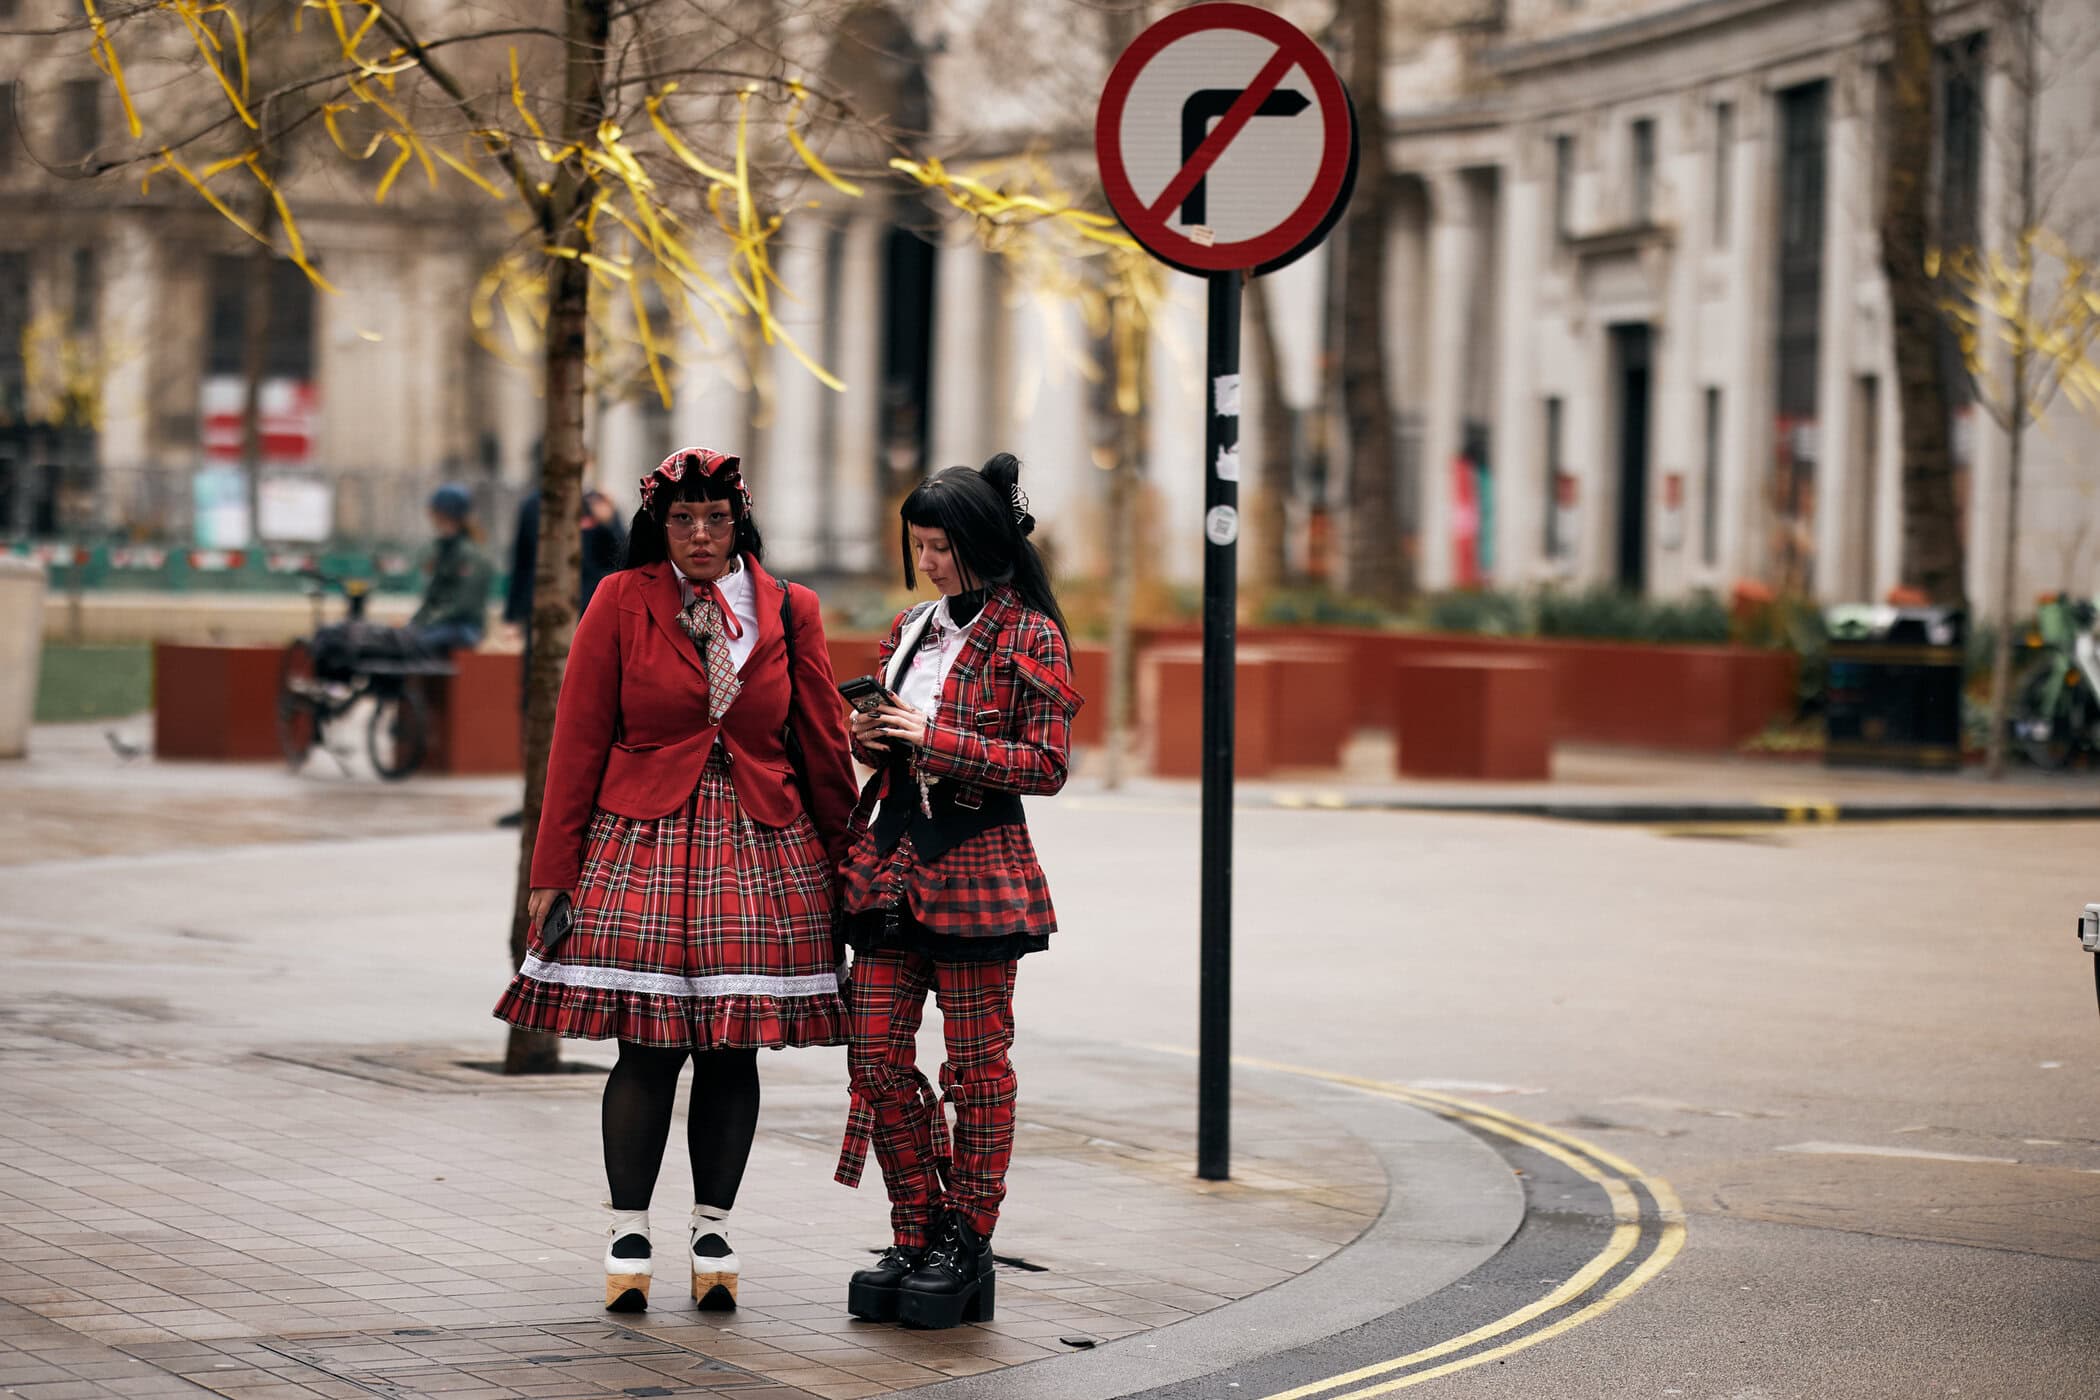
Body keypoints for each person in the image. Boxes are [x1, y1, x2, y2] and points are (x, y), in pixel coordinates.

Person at [492, 448, 857, 1315]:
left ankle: (713, 1230)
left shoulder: (789, 608)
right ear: (659, 526)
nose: (700, 534)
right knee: (648, 1046)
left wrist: (853, 866)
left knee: (732, 1046)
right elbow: (577, 736)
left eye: (716, 518)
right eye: (682, 519)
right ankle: (627, 1232)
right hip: (642, 840)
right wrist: (552, 869)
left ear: (741, 522)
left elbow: (820, 742)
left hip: (764, 843)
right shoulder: (621, 600)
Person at [832, 452, 1082, 1330]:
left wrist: (936, 739)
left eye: (939, 546)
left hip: (978, 871)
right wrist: (874, 735)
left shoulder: (1033, 637)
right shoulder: (910, 629)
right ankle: (920, 1228)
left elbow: (1046, 765)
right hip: (890, 864)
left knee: (977, 1073)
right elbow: (888, 750)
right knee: (873, 1060)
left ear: (979, 541)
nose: (928, 562)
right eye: (920, 546)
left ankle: (966, 1242)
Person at [410, 484, 494, 653]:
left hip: (463, 628)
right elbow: (432, 597)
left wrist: (426, 624)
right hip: (442, 625)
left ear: (444, 513)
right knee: (403, 642)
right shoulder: (443, 547)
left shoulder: (470, 554)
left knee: (417, 644)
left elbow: (464, 605)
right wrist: (414, 625)